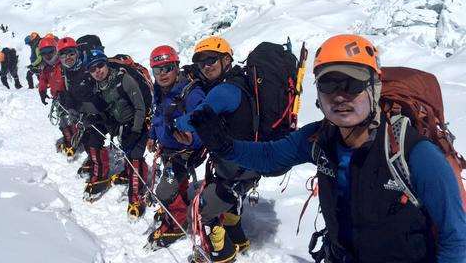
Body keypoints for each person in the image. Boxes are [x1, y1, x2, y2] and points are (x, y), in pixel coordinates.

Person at [191, 34, 466, 263]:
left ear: (375, 87)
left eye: (353, 83)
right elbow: (270, 156)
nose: (339, 95)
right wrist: (225, 147)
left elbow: (455, 239)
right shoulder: (320, 139)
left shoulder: (414, 154)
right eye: (328, 84)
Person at [175, 36, 259, 262]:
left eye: (211, 59)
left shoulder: (225, 90)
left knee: (205, 209)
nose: (206, 66)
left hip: (237, 167)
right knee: (228, 199)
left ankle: (221, 254)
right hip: (248, 162)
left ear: (226, 60)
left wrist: (177, 123)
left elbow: (197, 117)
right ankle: (239, 240)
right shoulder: (238, 83)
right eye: (201, 62)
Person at [146, 45, 206, 249]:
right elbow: (157, 115)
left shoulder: (192, 94)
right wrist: (153, 135)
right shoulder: (159, 90)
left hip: (186, 151)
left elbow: (206, 127)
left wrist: (191, 140)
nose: (162, 74)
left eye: (167, 68)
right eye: (157, 70)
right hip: (169, 148)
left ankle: (177, 224)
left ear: (176, 67)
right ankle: (176, 203)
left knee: (163, 191)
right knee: (175, 182)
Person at [86, 48, 149, 219]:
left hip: (139, 123)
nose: (97, 71)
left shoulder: (124, 80)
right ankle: (131, 174)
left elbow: (140, 107)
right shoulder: (98, 88)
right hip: (123, 127)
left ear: (106, 64)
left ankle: (136, 197)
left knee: (135, 155)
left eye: (100, 65)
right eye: (92, 69)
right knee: (128, 152)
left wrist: (135, 130)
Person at [56, 37, 111, 200]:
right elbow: (72, 93)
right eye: (64, 55)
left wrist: (94, 115)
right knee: (87, 139)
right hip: (84, 115)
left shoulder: (89, 68)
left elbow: (102, 95)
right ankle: (95, 162)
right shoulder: (68, 72)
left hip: (100, 115)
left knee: (94, 141)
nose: (68, 58)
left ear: (77, 52)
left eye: (71, 53)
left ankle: (101, 174)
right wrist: (70, 105)